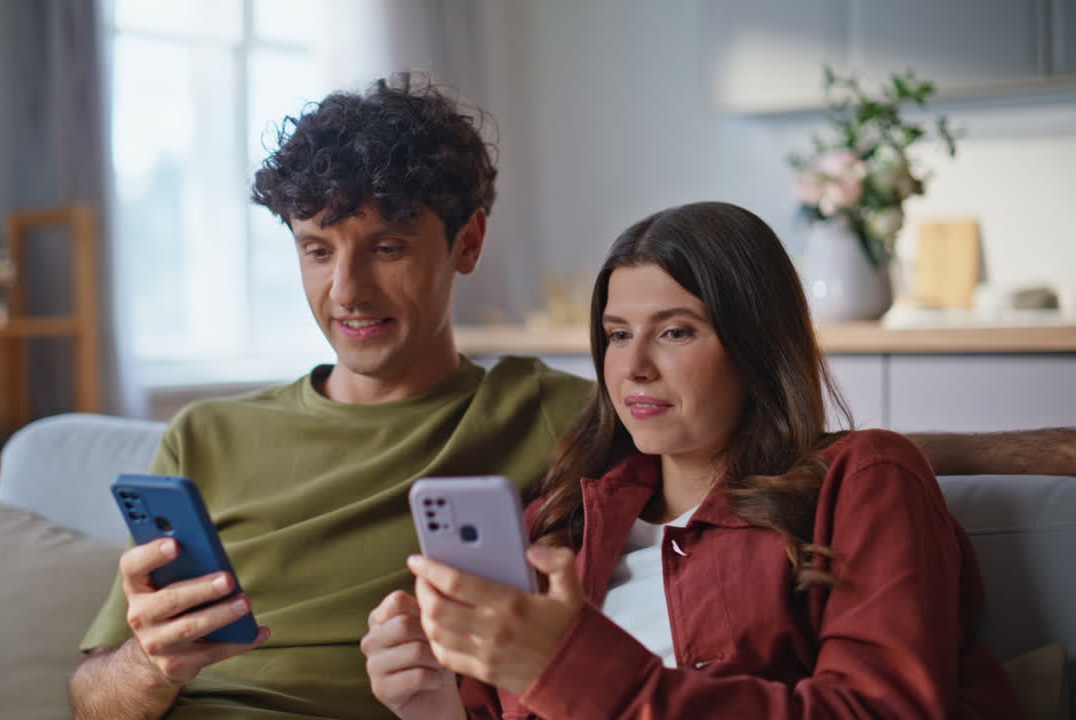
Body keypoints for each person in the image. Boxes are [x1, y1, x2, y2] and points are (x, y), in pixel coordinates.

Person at [70, 76, 1065, 719]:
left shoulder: (562, 429)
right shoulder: (201, 435)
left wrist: (1022, 450)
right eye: (315, 249)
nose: (345, 292)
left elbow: (773, 446)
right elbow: (86, 691)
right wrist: (150, 668)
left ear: (466, 245)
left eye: (384, 246)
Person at [361, 201, 1023, 719]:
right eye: (618, 335)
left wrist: (576, 670)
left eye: (675, 331)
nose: (635, 367)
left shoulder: (863, 481)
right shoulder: (565, 523)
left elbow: (881, 711)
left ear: (754, 344)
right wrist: (437, 709)